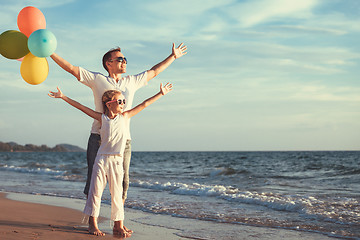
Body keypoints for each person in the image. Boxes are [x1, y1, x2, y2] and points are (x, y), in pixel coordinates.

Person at [50, 43, 187, 209]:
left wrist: (172, 56)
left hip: (123, 140)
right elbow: (71, 68)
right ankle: (91, 219)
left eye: (125, 59)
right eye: (120, 59)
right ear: (109, 63)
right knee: (94, 180)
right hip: (98, 138)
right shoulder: (97, 79)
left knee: (122, 183)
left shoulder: (132, 81)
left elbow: (154, 71)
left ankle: (118, 222)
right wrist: (49, 52)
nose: (125, 62)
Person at [48, 82, 173, 237]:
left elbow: (144, 104)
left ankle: (118, 226)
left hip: (117, 161)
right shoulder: (102, 118)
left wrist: (160, 93)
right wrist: (63, 97)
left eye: (123, 101)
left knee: (117, 193)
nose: (123, 104)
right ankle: (92, 225)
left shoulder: (125, 116)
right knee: (96, 192)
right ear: (109, 104)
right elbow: (81, 107)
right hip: (101, 159)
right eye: (119, 101)